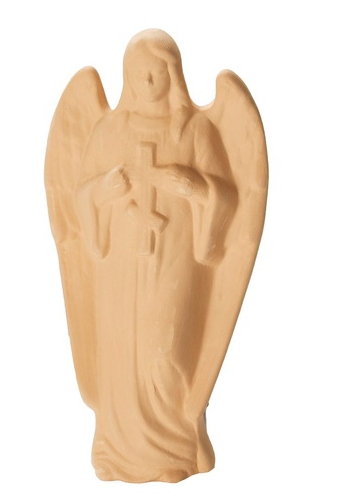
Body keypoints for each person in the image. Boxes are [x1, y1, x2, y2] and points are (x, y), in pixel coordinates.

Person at [74, 29, 237, 482]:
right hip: (120, 267)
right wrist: (103, 191)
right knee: (121, 349)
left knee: (164, 351)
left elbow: (226, 198)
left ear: (174, 74)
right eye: (139, 72)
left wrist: (194, 187)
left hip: (173, 260)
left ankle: (175, 448)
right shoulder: (110, 130)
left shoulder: (195, 130)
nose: (147, 81)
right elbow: (81, 197)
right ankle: (116, 449)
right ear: (127, 75)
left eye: (157, 72)